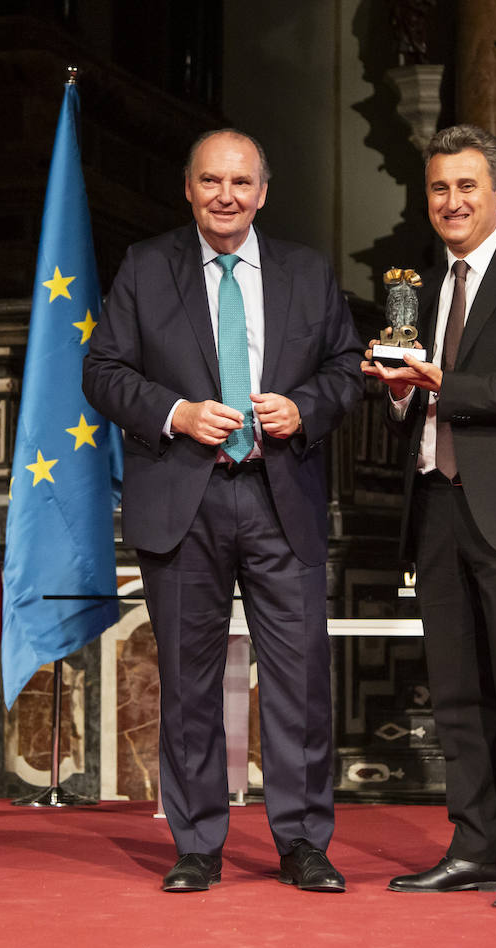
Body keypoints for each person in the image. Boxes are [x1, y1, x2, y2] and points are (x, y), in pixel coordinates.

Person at [83, 128, 364, 892]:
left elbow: (347, 370)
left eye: (241, 183)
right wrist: (174, 411)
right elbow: (102, 371)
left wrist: (302, 408)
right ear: (189, 187)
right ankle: (198, 842)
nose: (226, 196)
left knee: (301, 680)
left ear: (263, 192)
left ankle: (304, 841)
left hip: (282, 499)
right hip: (186, 497)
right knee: (187, 679)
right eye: (211, 181)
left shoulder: (307, 271)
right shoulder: (146, 268)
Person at [363, 124, 496, 908]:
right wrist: (398, 391)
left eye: (465, 187)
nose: (451, 202)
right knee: (456, 692)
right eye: (438, 189)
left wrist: (440, 381)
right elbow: (413, 404)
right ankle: (477, 844)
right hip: (437, 505)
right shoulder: (416, 290)